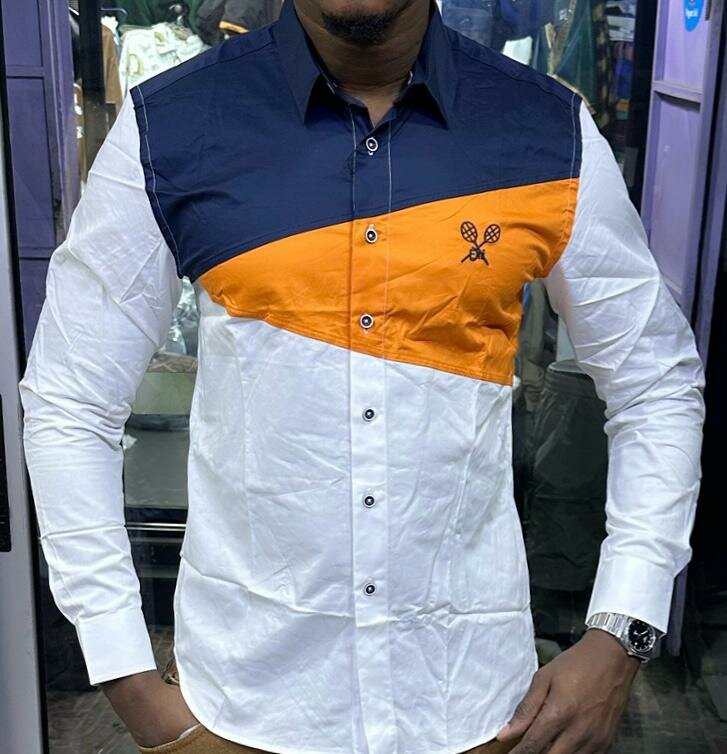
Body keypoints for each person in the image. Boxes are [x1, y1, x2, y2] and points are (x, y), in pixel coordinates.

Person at [17, 0, 706, 752]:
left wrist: (623, 631)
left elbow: (655, 387)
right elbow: (70, 403)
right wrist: (129, 679)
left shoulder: (545, 128)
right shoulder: (173, 125)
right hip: (243, 712)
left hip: (472, 708)